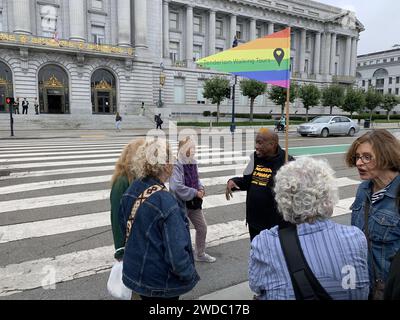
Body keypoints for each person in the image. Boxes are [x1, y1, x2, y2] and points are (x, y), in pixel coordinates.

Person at [249, 157, 370, 300]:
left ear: (283, 199)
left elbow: (256, 285)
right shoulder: (355, 237)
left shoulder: (265, 243)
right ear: (328, 196)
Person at [119, 138, 199, 300]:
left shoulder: (132, 189)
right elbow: (176, 253)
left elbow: (125, 228)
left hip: (135, 273)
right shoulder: (166, 202)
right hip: (160, 283)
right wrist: (189, 274)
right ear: (166, 165)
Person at [345, 129, 400, 299]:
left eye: (367, 157)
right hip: (364, 284)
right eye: (357, 157)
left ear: (386, 156)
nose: (359, 163)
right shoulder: (363, 188)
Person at [225, 128, 294, 241]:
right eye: (256, 142)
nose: (256, 146)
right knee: (257, 254)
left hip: (275, 225)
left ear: (272, 144)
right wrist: (234, 182)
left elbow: (296, 193)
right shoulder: (255, 158)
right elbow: (247, 181)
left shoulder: (287, 162)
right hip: (254, 222)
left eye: (260, 143)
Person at [169, 136, 216, 263]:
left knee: (202, 228)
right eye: (191, 147)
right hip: (181, 204)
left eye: (194, 147)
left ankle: (200, 254)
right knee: (181, 233)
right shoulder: (176, 164)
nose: (194, 150)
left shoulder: (193, 162)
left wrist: (201, 188)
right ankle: (180, 259)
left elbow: (197, 179)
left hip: (194, 203)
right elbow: (175, 186)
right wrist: (195, 192)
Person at [110, 138, 145, 261]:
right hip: (129, 240)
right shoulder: (121, 182)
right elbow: (116, 216)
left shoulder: (139, 177)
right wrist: (120, 249)